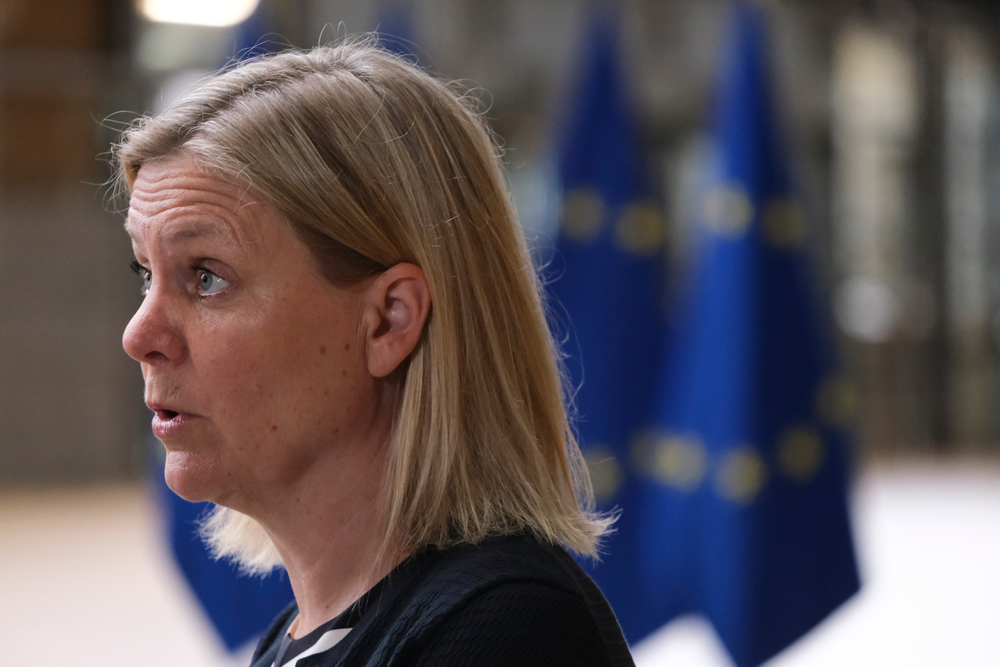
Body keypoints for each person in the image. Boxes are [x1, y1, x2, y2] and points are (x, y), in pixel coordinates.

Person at [116, 40, 635, 667]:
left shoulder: (509, 633)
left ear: (390, 320)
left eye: (207, 277)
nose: (139, 335)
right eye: (147, 274)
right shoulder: (301, 638)